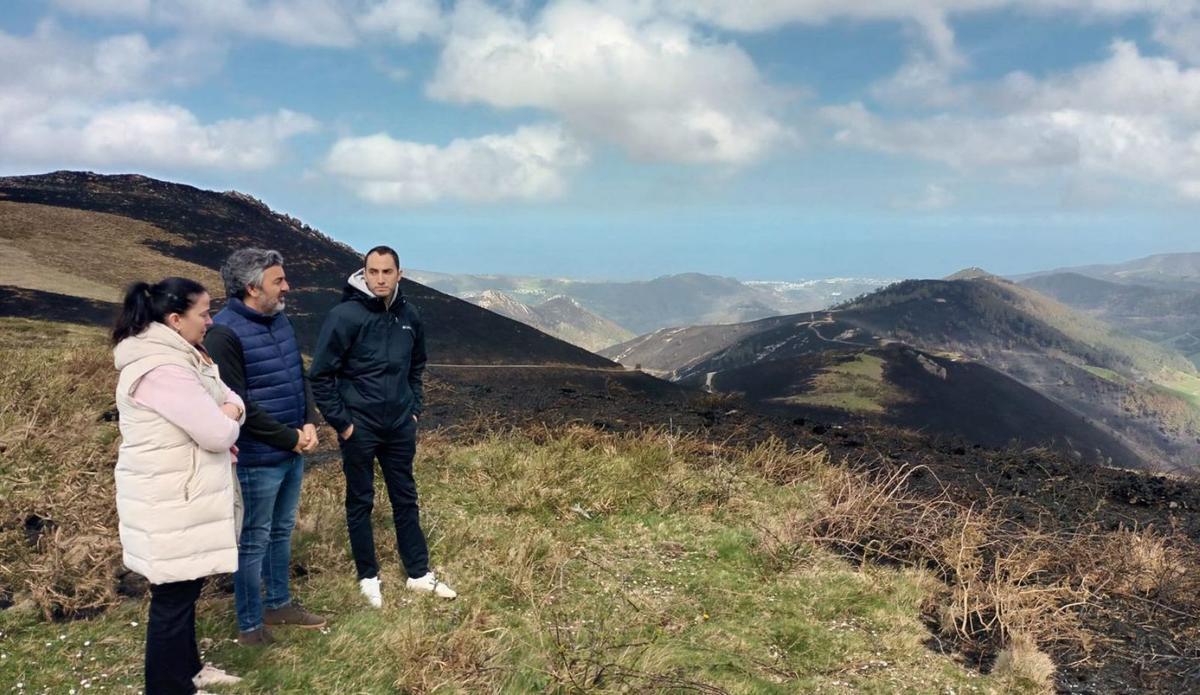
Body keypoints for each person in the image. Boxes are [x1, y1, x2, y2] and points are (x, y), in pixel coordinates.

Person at [112, 277, 245, 694]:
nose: (210, 320)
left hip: (182, 495)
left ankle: (190, 670)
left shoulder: (188, 357)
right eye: (203, 313)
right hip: (172, 500)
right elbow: (219, 433)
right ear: (175, 319)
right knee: (173, 600)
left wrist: (226, 412)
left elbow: (233, 399)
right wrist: (225, 416)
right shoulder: (163, 370)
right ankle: (168, 687)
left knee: (186, 591)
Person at [309, 245, 456, 608]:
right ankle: (368, 576)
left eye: (386, 272)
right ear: (363, 273)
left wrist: (414, 410)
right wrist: (344, 424)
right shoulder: (345, 316)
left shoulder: (410, 315)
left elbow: (417, 365)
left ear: (399, 275)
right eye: (372, 271)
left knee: (405, 497)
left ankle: (419, 574)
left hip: (399, 426)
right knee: (361, 500)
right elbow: (321, 375)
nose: (379, 279)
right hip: (360, 427)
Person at [204, 249, 326, 645]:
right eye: (278, 280)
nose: (287, 286)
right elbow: (238, 403)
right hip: (258, 457)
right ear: (253, 287)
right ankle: (250, 626)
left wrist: (308, 420)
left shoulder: (279, 319)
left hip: (291, 448)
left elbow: (297, 374)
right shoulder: (223, 332)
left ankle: (279, 603)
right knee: (254, 537)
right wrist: (290, 437)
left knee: (281, 530)